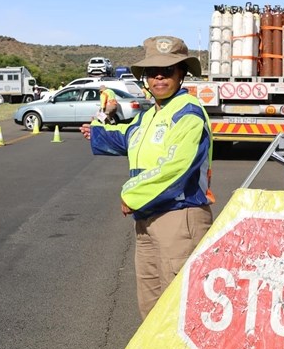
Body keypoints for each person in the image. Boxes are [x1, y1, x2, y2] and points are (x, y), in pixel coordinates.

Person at [80, 35, 214, 320]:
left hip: (179, 218)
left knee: (179, 310)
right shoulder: (150, 115)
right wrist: (99, 127)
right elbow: (129, 138)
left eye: (167, 71)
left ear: (181, 74)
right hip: (148, 219)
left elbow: (175, 169)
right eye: (152, 72)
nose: (159, 78)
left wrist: (131, 195)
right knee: (152, 308)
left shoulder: (188, 113)